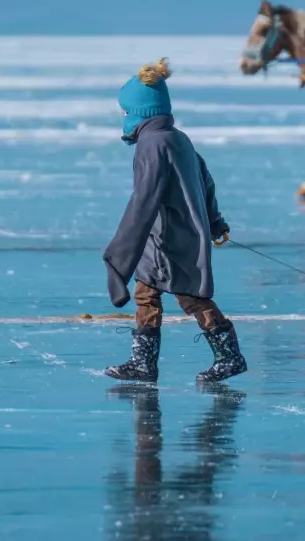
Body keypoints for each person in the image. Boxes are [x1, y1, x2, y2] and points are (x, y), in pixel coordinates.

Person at [103, 59, 247, 383]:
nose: (124, 118)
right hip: (181, 231)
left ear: (142, 111)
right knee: (152, 292)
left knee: (182, 295)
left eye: (126, 111)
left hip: (167, 236)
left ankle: (226, 356)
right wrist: (213, 220)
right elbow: (204, 179)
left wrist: (120, 253)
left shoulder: (151, 145)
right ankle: (150, 362)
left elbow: (143, 201)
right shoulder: (177, 137)